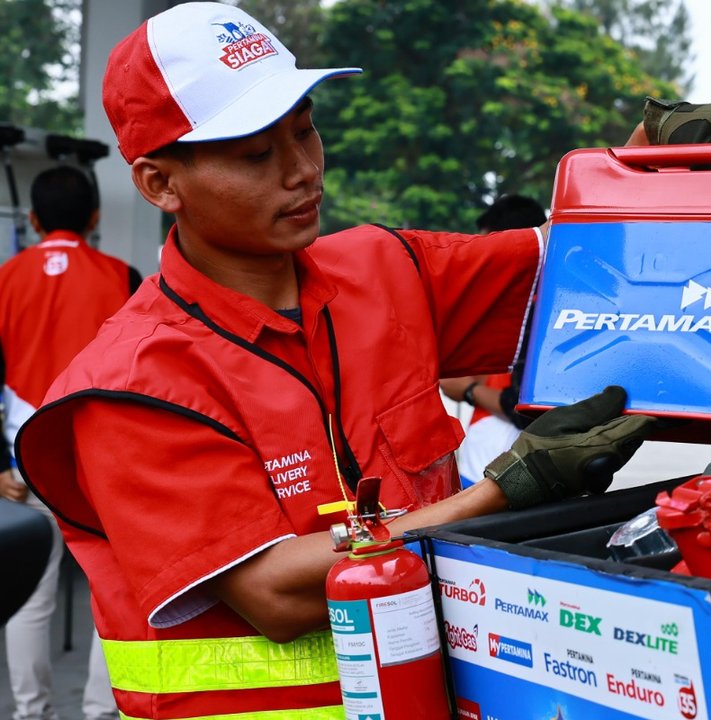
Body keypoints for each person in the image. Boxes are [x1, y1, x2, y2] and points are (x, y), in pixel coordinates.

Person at [14, 4, 654, 718]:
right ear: (161, 184)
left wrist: (649, 168)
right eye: (258, 154)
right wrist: (506, 493)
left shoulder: (388, 271)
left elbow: (581, 264)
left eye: (305, 127)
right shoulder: (132, 385)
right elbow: (275, 593)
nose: (303, 169)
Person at [0, 166, 139, 720]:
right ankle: (102, 712)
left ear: (33, 220)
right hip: (102, 456)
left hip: (24, 456)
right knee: (111, 587)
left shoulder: (5, 278)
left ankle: (32, 713)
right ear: (95, 217)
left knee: (30, 597)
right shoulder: (125, 276)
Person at [441, 194, 547, 487]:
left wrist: (470, 390)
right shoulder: (507, 302)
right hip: (490, 463)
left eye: (487, 250)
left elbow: (524, 409)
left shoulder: (538, 306)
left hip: (500, 468)